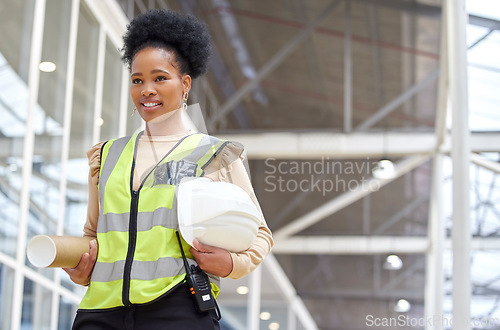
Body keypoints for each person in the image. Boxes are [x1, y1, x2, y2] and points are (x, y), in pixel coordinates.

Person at [63, 9, 273, 330]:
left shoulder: (213, 154)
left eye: (160, 78)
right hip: (101, 309)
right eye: (137, 80)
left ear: (185, 84)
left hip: (176, 306)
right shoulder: (106, 156)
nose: (147, 89)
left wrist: (233, 263)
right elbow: (93, 234)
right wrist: (81, 267)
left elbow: (260, 233)